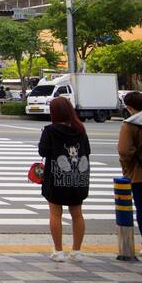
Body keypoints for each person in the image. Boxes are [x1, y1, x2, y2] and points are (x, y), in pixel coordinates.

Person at [38, 97, 90, 262]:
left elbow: (43, 151)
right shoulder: (80, 129)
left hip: (56, 178)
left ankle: (58, 251)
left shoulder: (50, 130)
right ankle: (76, 251)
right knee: (77, 214)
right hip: (78, 178)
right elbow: (87, 152)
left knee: (55, 213)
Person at [118, 91, 142, 249]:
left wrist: (126, 170)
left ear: (129, 107)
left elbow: (125, 151)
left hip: (139, 175)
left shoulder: (131, 124)